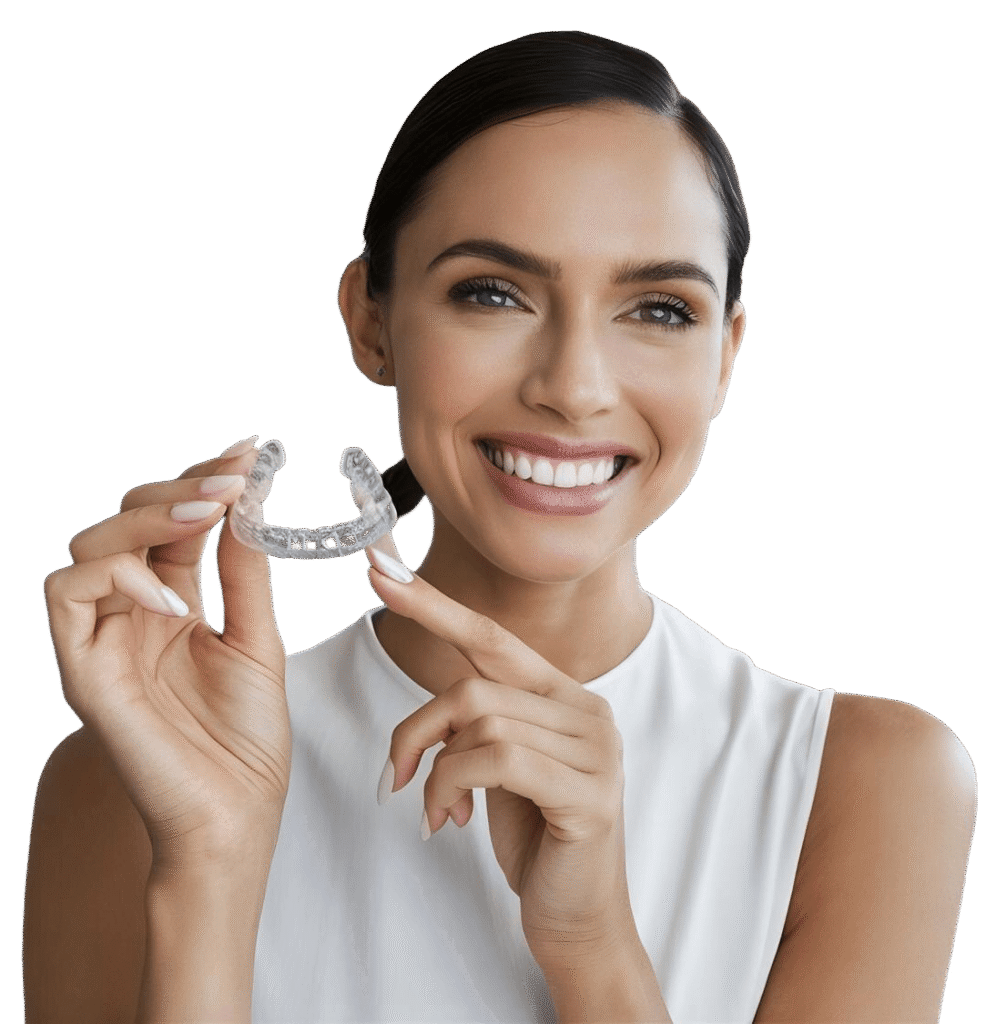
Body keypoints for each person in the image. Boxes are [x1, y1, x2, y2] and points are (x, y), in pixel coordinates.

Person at [24, 29, 975, 1024]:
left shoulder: (865, 783)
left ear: (724, 358)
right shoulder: (131, 775)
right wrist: (209, 867)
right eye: (491, 293)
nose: (573, 385)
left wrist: (592, 942)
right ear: (371, 322)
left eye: (658, 309)